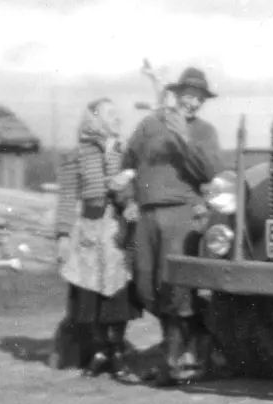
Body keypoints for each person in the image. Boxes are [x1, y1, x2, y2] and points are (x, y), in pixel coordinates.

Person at [123, 66, 223, 386]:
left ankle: (174, 361)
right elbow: (127, 164)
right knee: (145, 286)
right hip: (146, 215)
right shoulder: (149, 125)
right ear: (175, 95)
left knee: (177, 289)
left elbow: (211, 172)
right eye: (187, 96)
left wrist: (183, 136)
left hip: (181, 215)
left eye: (198, 98)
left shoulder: (204, 131)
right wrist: (127, 199)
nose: (192, 103)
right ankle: (187, 352)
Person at [49, 98, 141, 381]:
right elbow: (67, 198)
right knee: (90, 296)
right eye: (110, 114)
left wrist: (132, 199)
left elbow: (138, 186)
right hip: (88, 231)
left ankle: (118, 354)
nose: (117, 118)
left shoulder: (126, 153)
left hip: (116, 230)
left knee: (118, 292)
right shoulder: (76, 156)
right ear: (94, 118)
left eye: (118, 114)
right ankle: (100, 351)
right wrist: (63, 236)